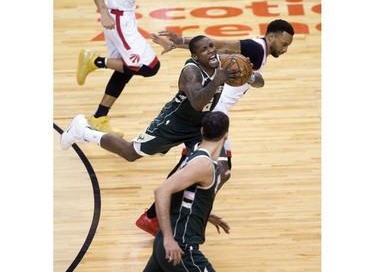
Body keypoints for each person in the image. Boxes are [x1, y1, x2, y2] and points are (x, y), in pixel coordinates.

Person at [135, 19, 294, 236]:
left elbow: (233, 64)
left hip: (214, 111)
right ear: (272, 36)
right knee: (219, 170)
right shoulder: (256, 48)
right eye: (283, 44)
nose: (284, 49)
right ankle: (170, 215)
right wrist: (180, 41)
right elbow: (218, 44)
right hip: (213, 112)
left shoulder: (259, 53)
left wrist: (255, 78)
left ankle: (156, 215)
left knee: (202, 166)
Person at [61, 35, 243, 183]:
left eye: (211, 46)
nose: (210, 51)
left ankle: (188, 209)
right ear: (195, 57)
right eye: (204, 49)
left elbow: (257, 80)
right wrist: (218, 79)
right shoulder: (191, 71)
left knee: (223, 170)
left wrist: (248, 75)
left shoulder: (222, 64)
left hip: (200, 127)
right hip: (174, 123)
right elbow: (197, 103)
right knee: (129, 153)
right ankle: (83, 130)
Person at [143, 111, 231, 272]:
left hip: (165, 243)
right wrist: (169, 239)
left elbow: (184, 195)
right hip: (179, 248)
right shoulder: (203, 165)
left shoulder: (196, 154)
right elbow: (162, 191)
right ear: (226, 136)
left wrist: (205, 215)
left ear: (202, 131)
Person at [76, 0, 162, 137]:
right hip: (117, 19)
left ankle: (99, 117)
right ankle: (95, 61)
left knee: (126, 69)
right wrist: (103, 11)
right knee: (149, 67)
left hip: (123, 16)